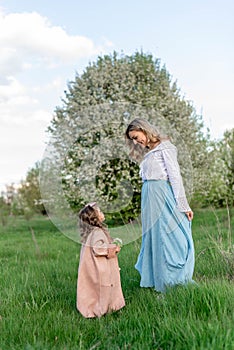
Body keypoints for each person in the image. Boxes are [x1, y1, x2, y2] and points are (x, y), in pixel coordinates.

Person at [125, 118, 195, 292]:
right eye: (132, 139)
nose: (136, 141)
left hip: (161, 195)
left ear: (143, 129)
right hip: (149, 197)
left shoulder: (166, 147)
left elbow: (175, 177)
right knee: (154, 237)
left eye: (136, 136)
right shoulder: (148, 152)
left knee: (169, 236)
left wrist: (183, 205)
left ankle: (174, 280)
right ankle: (159, 282)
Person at [76, 202, 125, 318]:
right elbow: (99, 249)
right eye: (100, 212)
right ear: (94, 217)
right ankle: (102, 309)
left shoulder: (91, 232)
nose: (103, 213)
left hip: (92, 266)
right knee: (104, 287)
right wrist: (114, 248)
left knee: (94, 288)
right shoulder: (97, 232)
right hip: (100, 267)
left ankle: (99, 307)